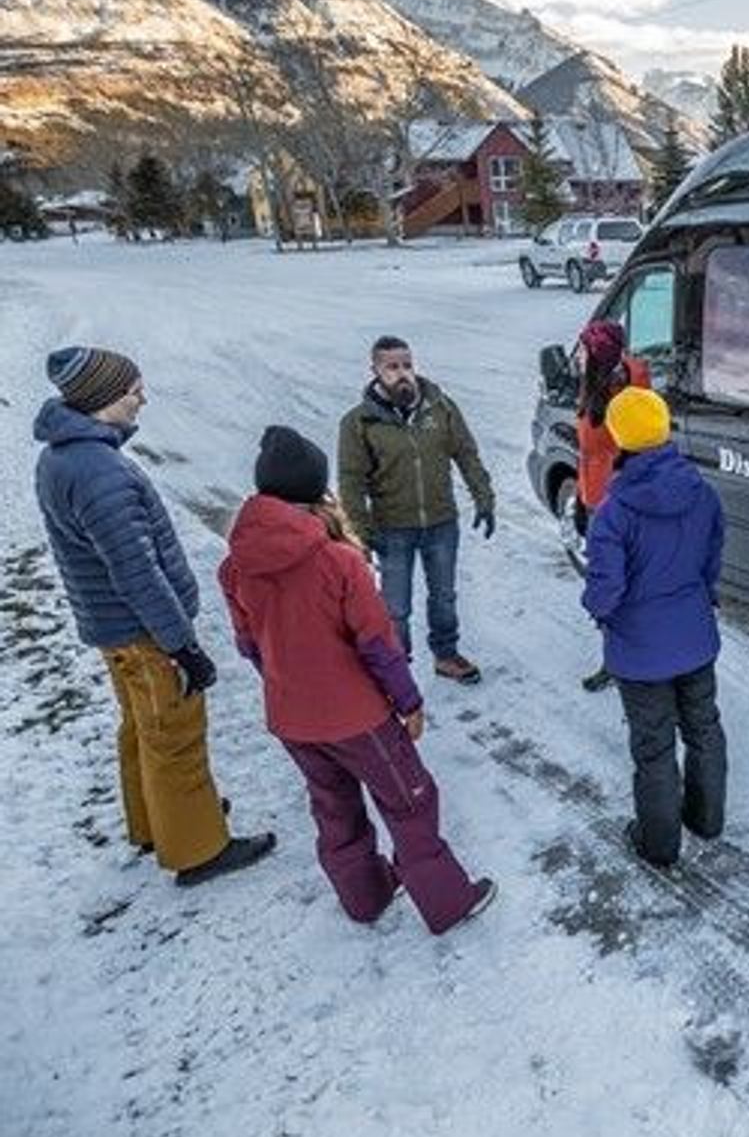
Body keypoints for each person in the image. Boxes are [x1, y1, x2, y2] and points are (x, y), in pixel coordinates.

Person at [220, 427, 494, 933]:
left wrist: (290, 685)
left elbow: (249, 646)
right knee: (410, 801)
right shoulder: (337, 561)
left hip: (291, 718)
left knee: (333, 805)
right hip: (360, 719)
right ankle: (447, 902)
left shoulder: (236, 566)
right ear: (316, 490)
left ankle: (364, 896)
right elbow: (378, 645)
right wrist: (408, 703)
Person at [33, 346, 276, 887]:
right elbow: (134, 570)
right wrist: (181, 644)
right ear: (100, 401)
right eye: (132, 390)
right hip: (143, 631)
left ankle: (155, 821)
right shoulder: (100, 472)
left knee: (141, 729)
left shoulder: (60, 457)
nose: (142, 396)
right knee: (175, 735)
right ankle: (197, 848)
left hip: (112, 628)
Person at [582, 388, 728, 870]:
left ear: (619, 437)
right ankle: (706, 819)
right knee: (704, 728)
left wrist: (599, 612)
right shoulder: (702, 492)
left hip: (641, 652)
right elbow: (711, 562)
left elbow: (606, 588)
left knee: (654, 746)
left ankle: (659, 846)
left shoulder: (614, 512)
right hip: (695, 635)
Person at [337, 335, 494, 685]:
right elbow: (351, 483)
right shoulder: (359, 423)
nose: (403, 373)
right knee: (395, 609)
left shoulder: (440, 407)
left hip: (441, 522)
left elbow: (466, 453)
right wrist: (360, 534)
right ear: (375, 371)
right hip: (392, 529)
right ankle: (397, 668)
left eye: (407, 365)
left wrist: (484, 497)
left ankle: (446, 655)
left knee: (444, 596)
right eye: (392, 367)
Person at [572, 319, 649, 693]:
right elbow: (586, 450)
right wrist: (581, 498)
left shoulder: (628, 387)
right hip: (594, 501)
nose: (582, 354)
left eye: (587, 348)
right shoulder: (595, 383)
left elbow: (632, 447)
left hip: (618, 506)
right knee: (606, 587)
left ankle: (629, 661)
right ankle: (616, 657)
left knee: (623, 590)